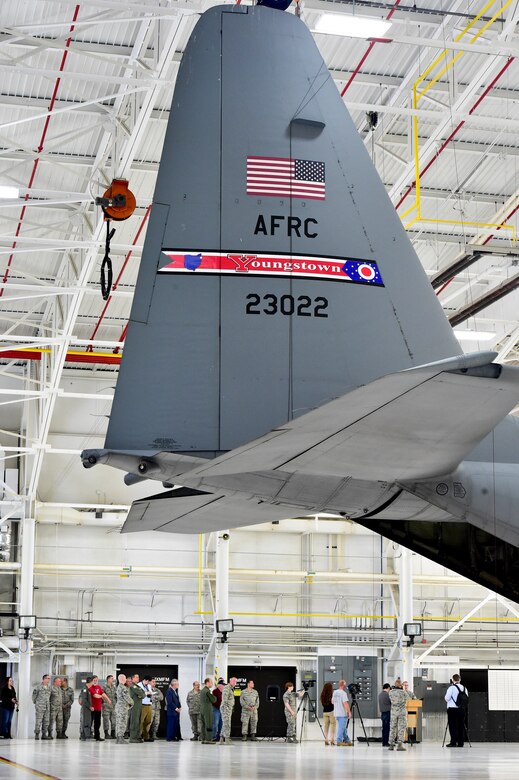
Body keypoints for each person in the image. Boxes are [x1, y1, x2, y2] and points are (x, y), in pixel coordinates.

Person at [445, 674, 469, 748]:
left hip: (452, 709)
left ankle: (453, 742)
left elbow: (447, 698)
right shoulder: (465, 688)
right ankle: (461, 743)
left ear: (453, 680)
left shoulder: (451, 688)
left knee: (453, 726)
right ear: (460, 679)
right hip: (462, 710)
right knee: (461, 726)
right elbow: (467, 698)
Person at [388, 678, 412, 751]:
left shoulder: (390, 692)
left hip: (393, 713)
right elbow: (409, 698)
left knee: (392, 728)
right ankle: (400, 745)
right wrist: (404, 690)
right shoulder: (403, 692)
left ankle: (391, 745)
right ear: (401, 685)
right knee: (401, 728)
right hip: (401, 712)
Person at [90, 675, 111, 742]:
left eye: (96, 680)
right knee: (90, 723)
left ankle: (97, 736)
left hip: (98, 708)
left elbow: (103, 693)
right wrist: (102, 696)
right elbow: (95, 695)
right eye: (94, 680)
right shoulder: (90, 687)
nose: (95, 681)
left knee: (97, 723)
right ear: (92, 681)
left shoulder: (99, 687)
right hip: (92, 708)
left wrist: (108, 699)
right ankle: (87, 735)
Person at [332, 680, 352, 746]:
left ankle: (347, 740)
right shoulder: (343, 693)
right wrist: (349, 712)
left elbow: (332, 701)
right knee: (341, 728)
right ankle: (339, 741)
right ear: (343, 685)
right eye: (345, 684)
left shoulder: (335, 692)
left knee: (343, 728)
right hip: (342, 713)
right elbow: (345, 703)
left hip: (336, 713)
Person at [115, 673, 133, 744]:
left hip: (119, 707)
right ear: (122, 679)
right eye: (125, 678)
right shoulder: (123, 687)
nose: (126, 680)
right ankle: (120, 738)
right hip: (122, 708)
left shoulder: (119, 687)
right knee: (122, 723)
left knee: (119, 722)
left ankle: (118, 738)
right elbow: (127, 698)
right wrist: (132, 702)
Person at [32, 674, 51, 740]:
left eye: (49, 678)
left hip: (47, 707)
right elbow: (34, 696)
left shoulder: (49, 688)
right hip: (40, 706)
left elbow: (49, 697)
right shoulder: (38, 687)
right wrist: (37, 704)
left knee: (46, 721)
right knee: (38, 721)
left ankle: (44, 734)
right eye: (48, 678)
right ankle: (37, 734)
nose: (49, 680)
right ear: (44, 679)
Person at [219, 677, 237, 745]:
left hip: (228, 709)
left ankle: (221, 738)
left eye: (235, 682)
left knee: (225, 724)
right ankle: (226, 739)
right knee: (227, 724)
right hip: (225, 709)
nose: (235, 683)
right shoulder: (227, 688)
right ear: (230, 681)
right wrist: (226, 709)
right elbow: (224, 700)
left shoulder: (231, 689)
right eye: (233, 681)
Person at [129, 673, 146, 743]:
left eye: (138, 677)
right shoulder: (132, 686)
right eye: (136, 677)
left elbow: (143, 694)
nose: (138, 678)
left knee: (138, 722)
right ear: (132, 678)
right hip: (134, 706)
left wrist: (141, 695)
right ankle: (132, 738)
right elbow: (142, 694)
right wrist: (141, 695)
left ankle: (137, 737)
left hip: (139, 706)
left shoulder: (137, 686)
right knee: (134, 722)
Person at [199, 677, 216, 744]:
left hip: (202, 709)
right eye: (211, 682)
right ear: (207, 683)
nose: (212, 684)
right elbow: (213, 700)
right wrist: (214, 697)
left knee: (203, 725)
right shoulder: (207, 691)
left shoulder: (202, 690)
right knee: (209, 724)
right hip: (207, 710)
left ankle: (203, 739)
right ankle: (208, 739)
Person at [320, 682, 336, 746]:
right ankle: (332, 740)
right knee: (333, 725)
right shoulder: (332, 694)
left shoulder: (322, 694)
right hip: (331, 711)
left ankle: (326, 739)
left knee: (326, 726)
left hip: (325, 712)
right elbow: (332, 702)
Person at [78, 676, 94, 741]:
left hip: (88, 708)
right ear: (90, 682)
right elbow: (84, 700)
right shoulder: (85, 689)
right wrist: (90, 706)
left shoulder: (88, 689)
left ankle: (86, 735)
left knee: (87, 721)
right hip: (85, 708)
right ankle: (83, 735)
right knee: (85, 721)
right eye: (93, 681)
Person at [139, 676, 154, 742]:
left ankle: (146, 736)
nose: (148, 683)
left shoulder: (149, 686)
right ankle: (139, 736)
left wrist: (151, 693)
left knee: (148, 721)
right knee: (141, 722)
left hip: (149, 705)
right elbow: (139, 694)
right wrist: (146, 693)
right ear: (145, 680)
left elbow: (150, 692)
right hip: (143, 705)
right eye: (148, 682)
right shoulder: (139, 685)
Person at [103, 674, 117, 739]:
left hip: (113, 707)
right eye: (111, 678)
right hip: (106, 707)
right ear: (108, 679)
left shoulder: (114, 687)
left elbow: (116, 696)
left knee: (113, 720)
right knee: (106, 720)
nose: (113, 679)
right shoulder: (104, 687)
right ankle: (106, 734)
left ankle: (113, 733)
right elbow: (102, 696)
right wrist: (104, 703)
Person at [378, 683, 391, 747]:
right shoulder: (387, 695)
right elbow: (391, 702)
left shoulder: (380, 694)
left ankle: (384, 742)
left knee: (384, 728)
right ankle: (386, 743)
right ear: (388, 688)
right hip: (387, 713)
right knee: (387, 728)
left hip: (382, 713)